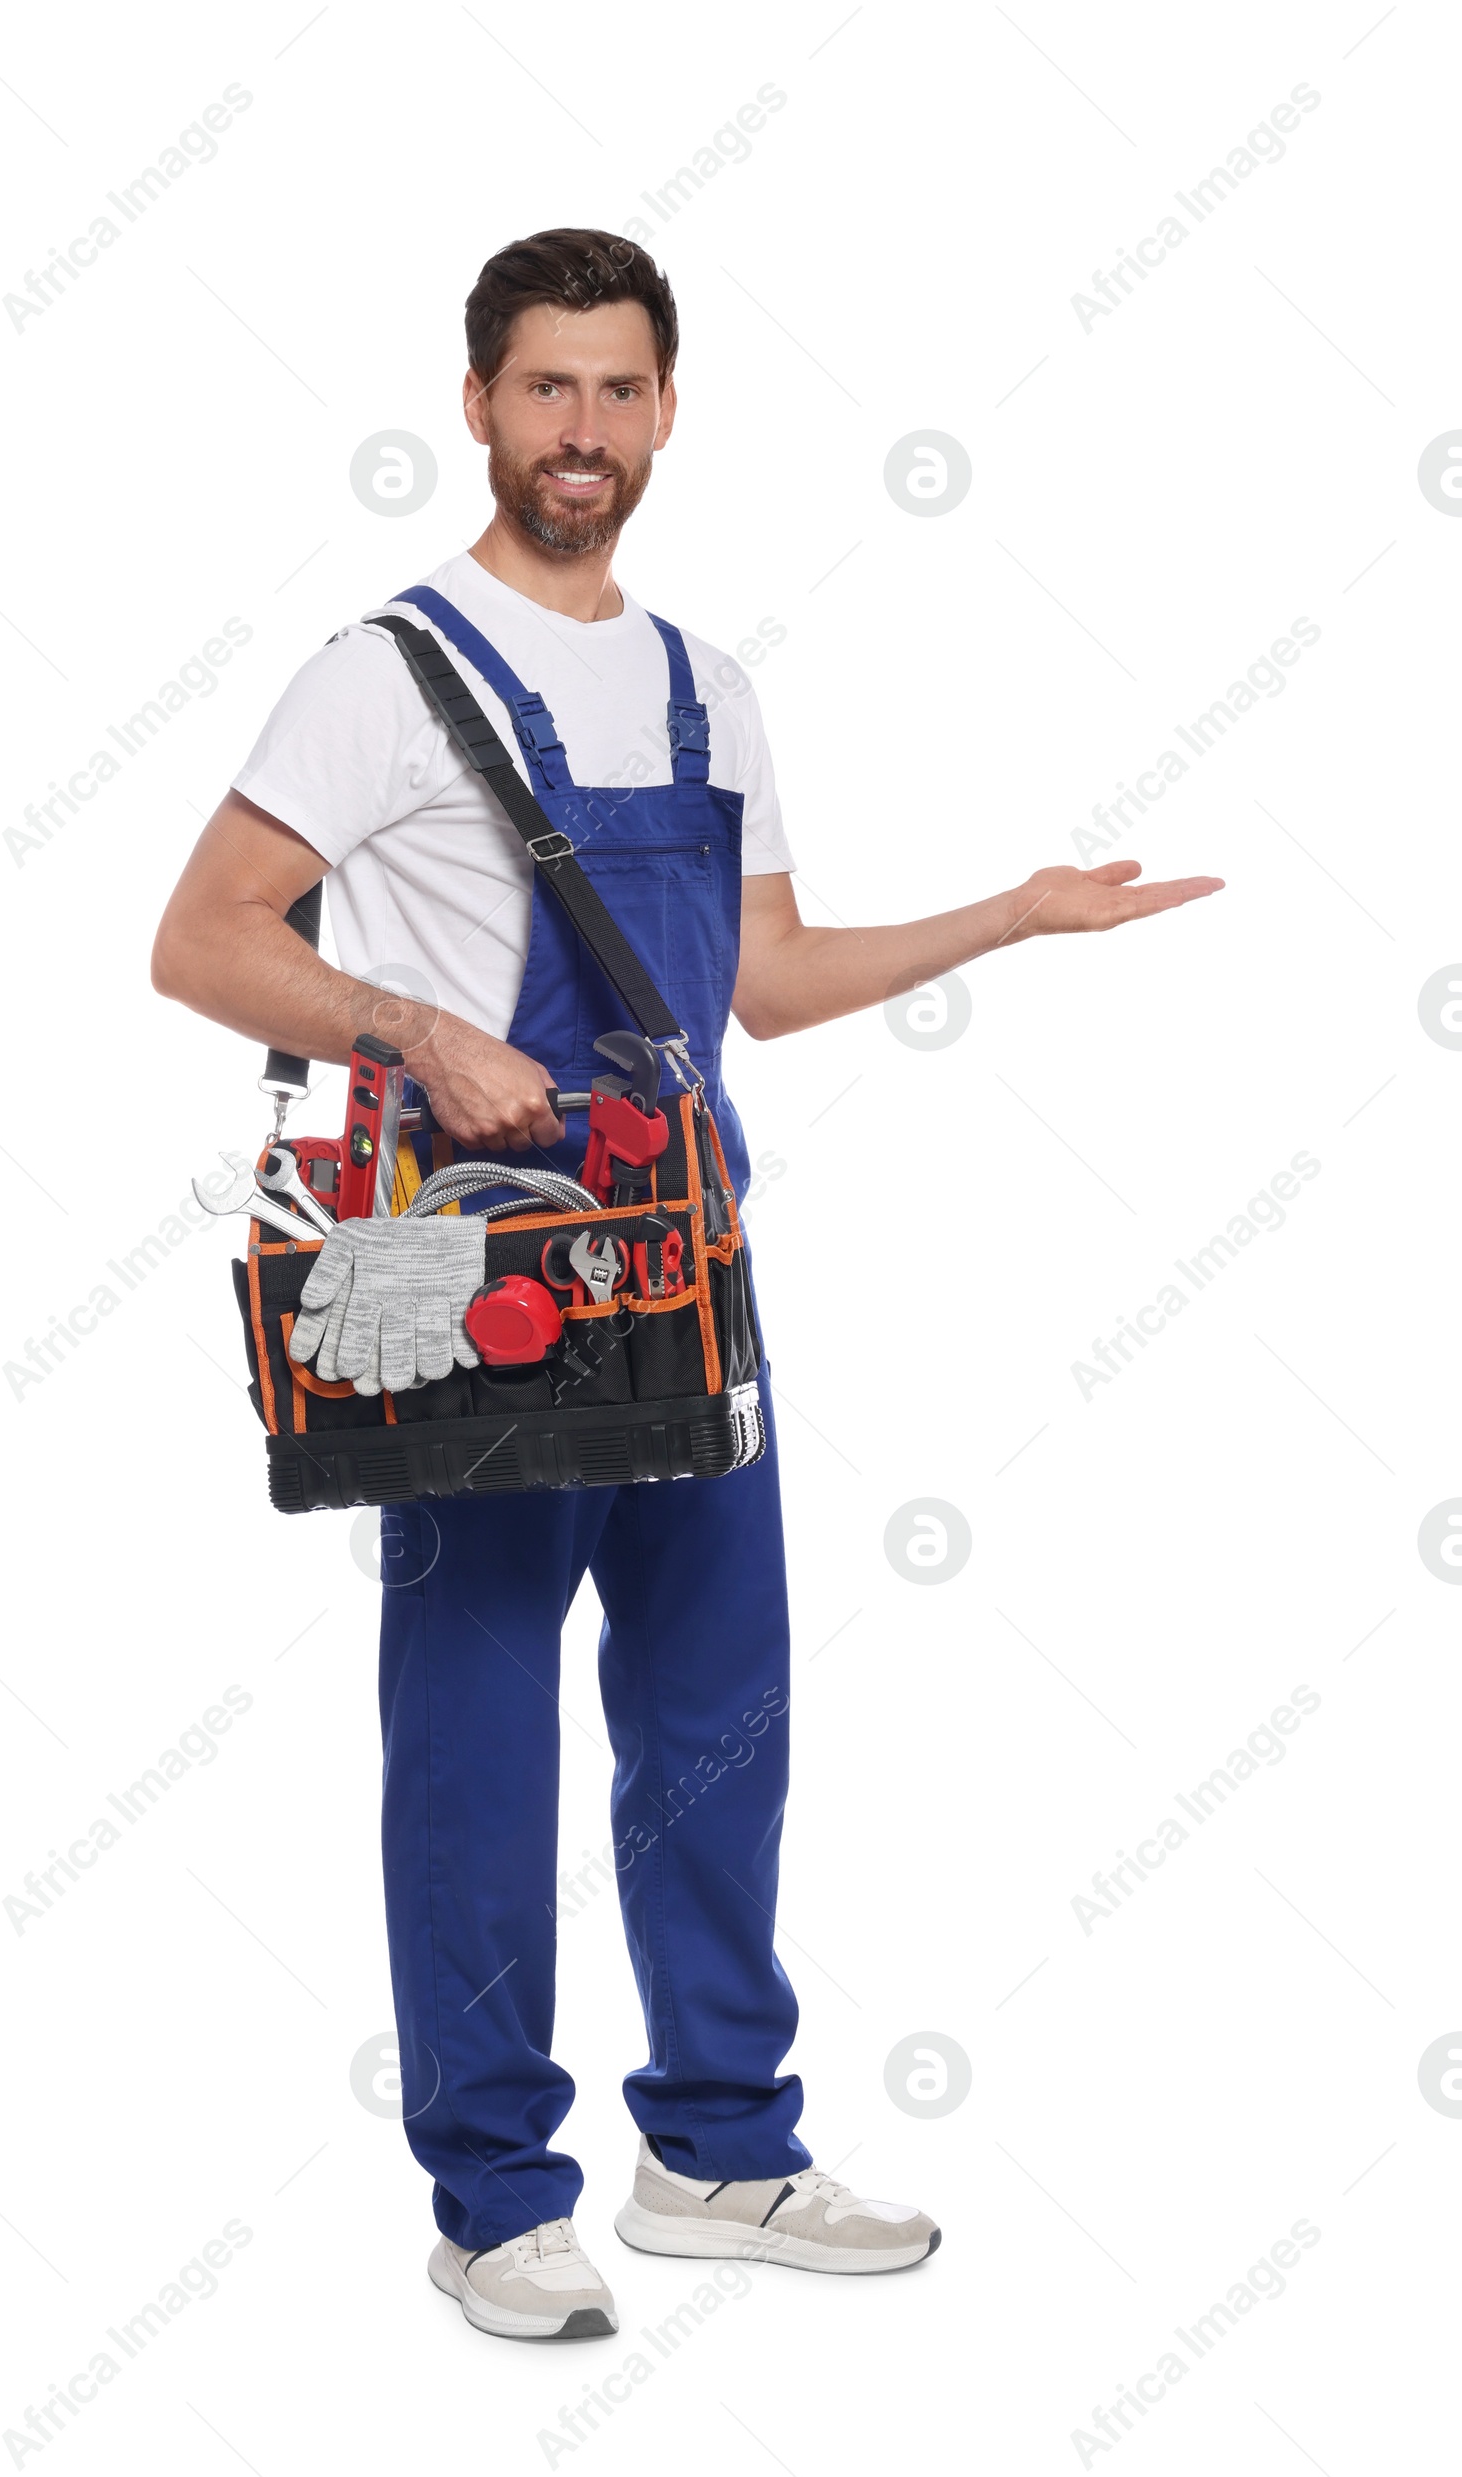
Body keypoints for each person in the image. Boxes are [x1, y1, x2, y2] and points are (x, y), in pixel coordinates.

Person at [152, 227, 1222, 2342]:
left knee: (718, 1717)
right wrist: (411, 1028)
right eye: (543, 388)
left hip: (691, 1268)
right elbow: (199, 939)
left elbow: (767, 983)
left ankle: (718, 2149)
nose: (581, 431)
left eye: (618, 391)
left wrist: (1003, 917)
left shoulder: (700, 683)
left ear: (664, 408)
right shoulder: (385, 670)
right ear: (475, 404)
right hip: (469, 1286)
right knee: (473, 1742)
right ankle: (491, 2196)